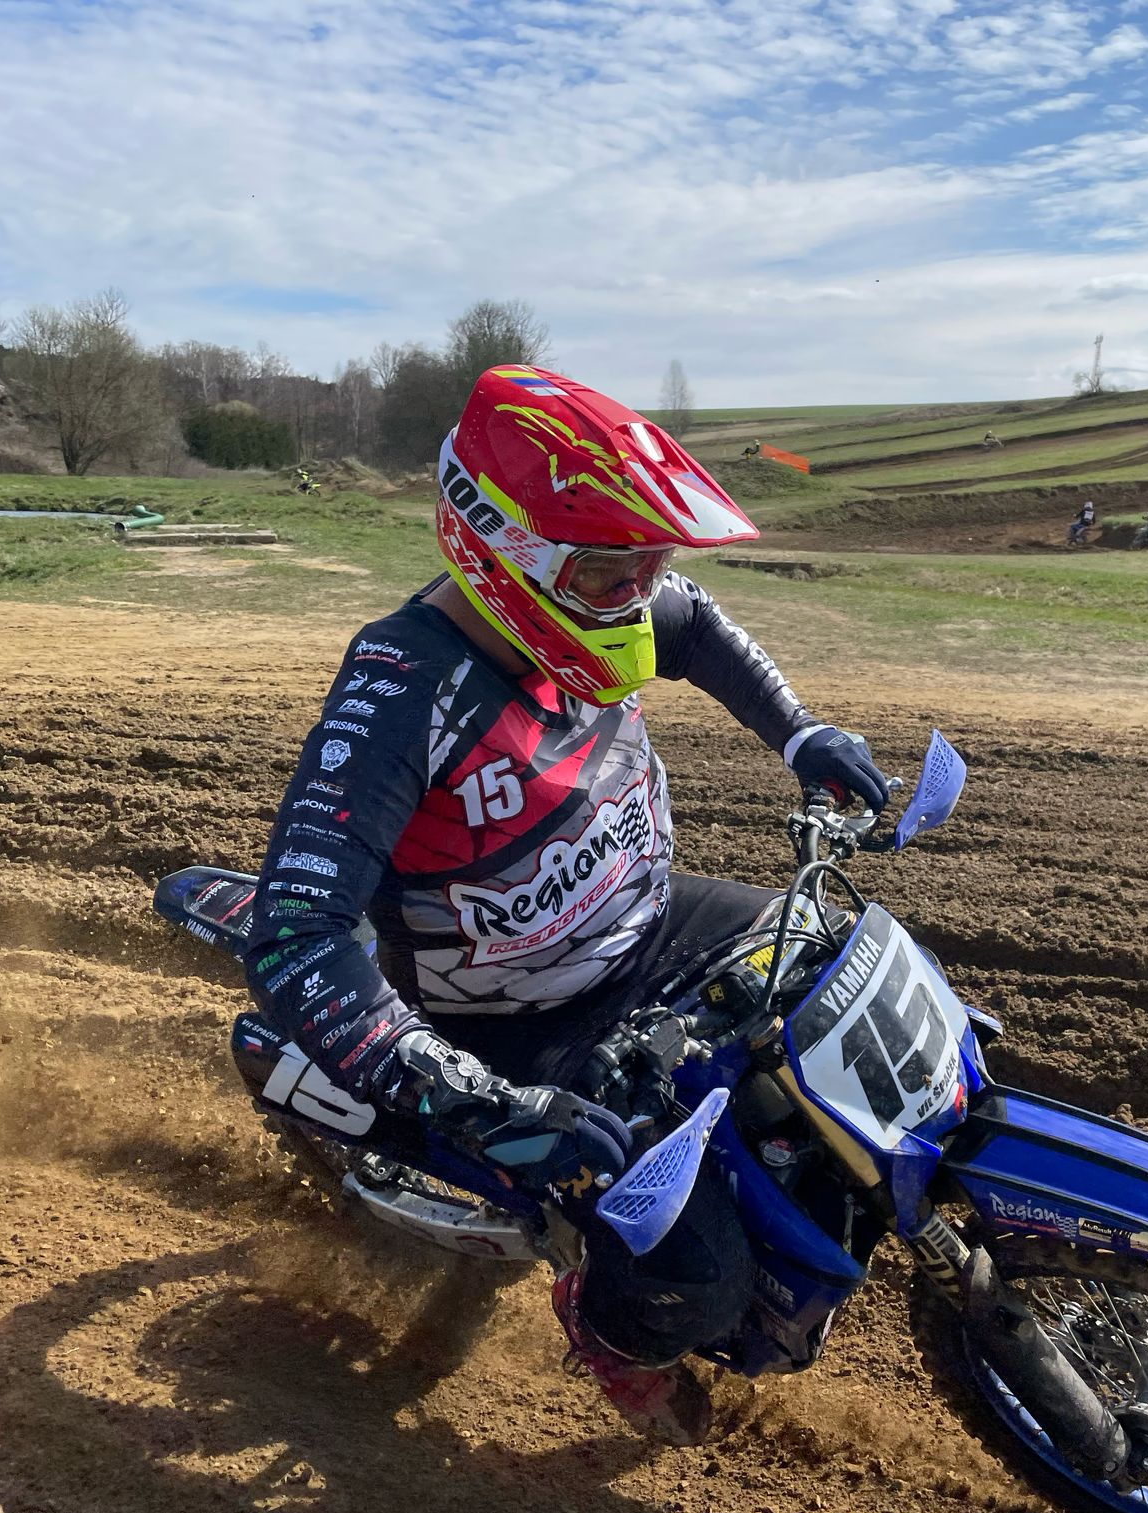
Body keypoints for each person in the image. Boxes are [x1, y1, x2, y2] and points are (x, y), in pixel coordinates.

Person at [239, 364, 889, 1447]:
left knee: (829, 966)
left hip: (645, 918)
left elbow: (695, 625)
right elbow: (297, 933)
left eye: (649, 564)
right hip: (511, 1013)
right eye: (608, 572)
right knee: (697, 1275)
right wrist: (477, 1100)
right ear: (507, 554)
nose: (635, 595)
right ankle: (607, 1327)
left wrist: (800, 731)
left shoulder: (592, 594)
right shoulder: (402, 689)